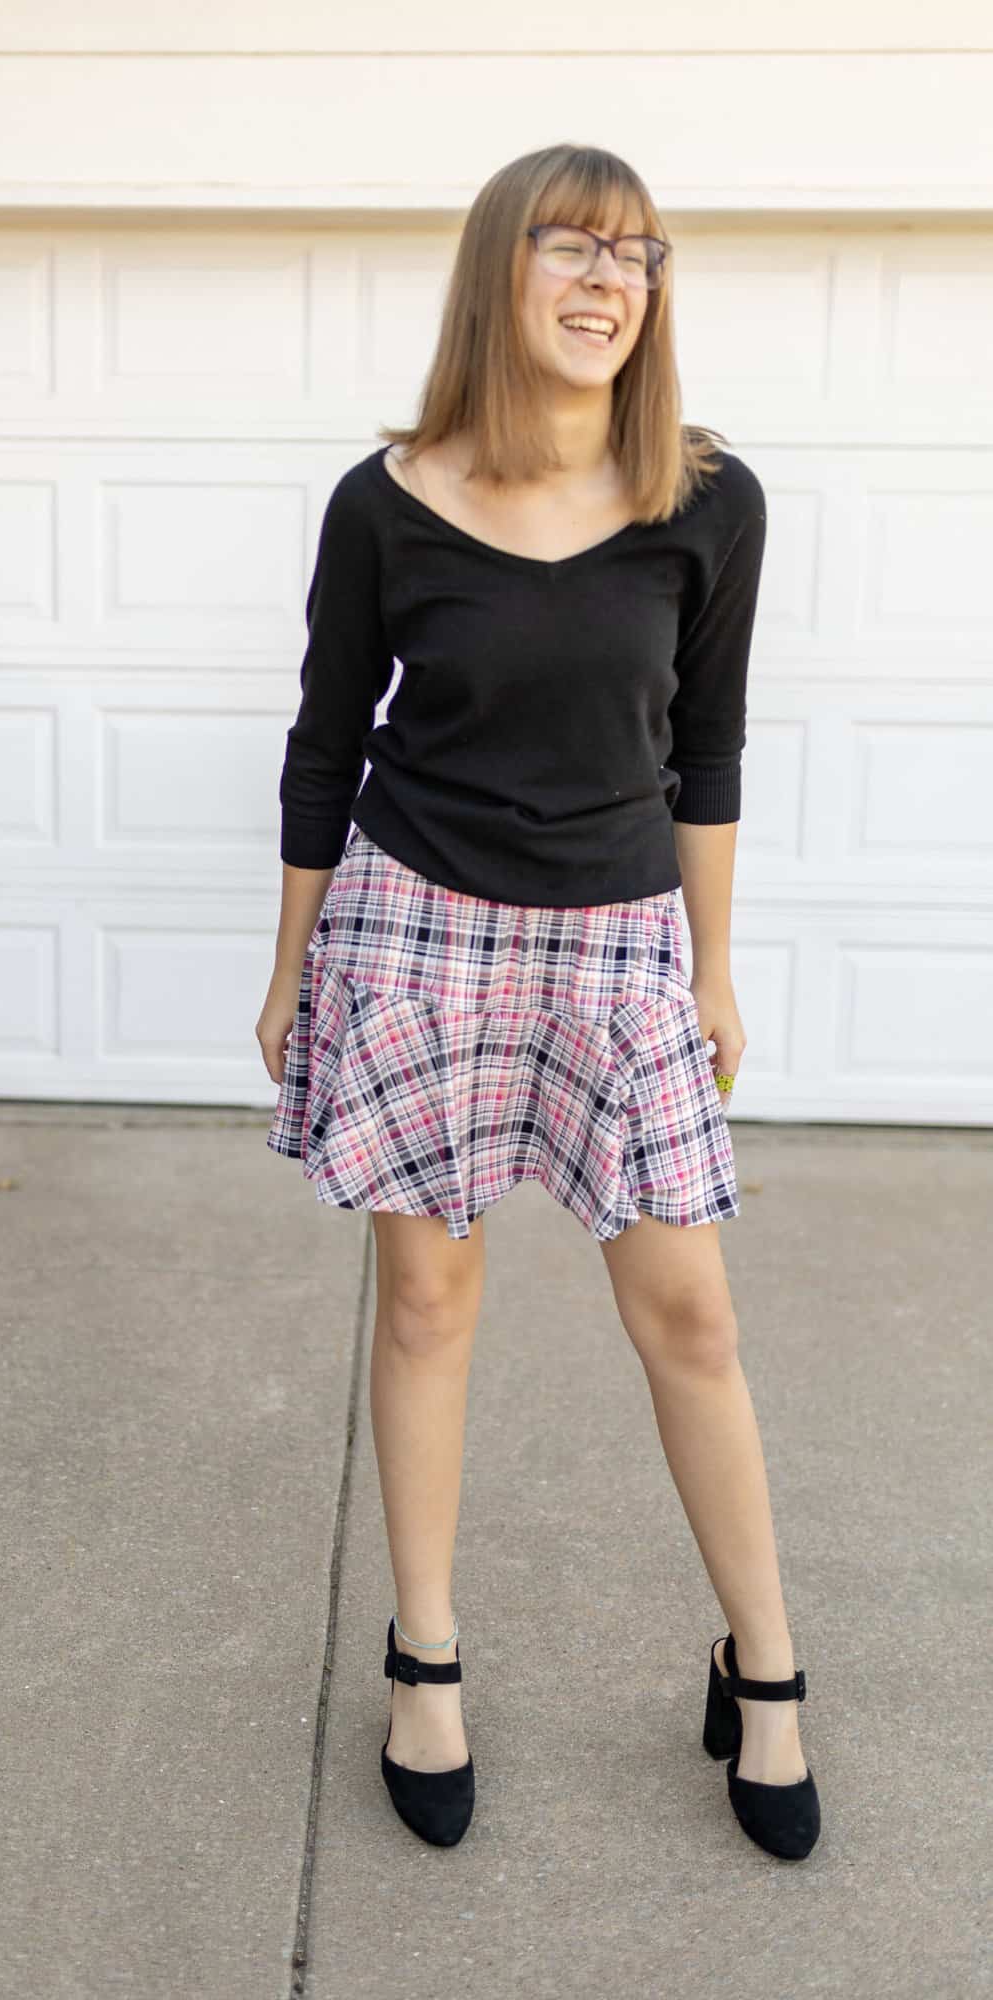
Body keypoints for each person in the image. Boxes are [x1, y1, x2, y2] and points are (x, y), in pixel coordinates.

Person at [255, 142, 821, 1861]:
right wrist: (291, 966)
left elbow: (706, 750)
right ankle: (422, 1659)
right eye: (570, 246)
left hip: (618, 933)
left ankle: (763, 1667)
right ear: (497, 271)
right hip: (412, 924)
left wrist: (709, 967)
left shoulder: (706, 499)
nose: (605, 281)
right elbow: (324, 739)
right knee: (428, 1305)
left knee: (689, 1318)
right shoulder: (386, 502)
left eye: (634, 255)